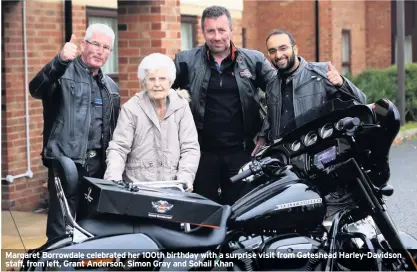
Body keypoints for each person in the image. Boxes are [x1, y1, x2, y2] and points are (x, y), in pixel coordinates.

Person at [172, 5, 277, 205]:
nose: (217, 36)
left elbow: (279, 90)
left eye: (222, 30)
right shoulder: (185, 61)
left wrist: (266, 131)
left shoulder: (253, 60)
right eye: (211, 31)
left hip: (242, 152)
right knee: (204, 215)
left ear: (231, 30)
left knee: (241, 210)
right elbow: (160, 89)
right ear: (203, 32)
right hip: (201, 154)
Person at [29, 24, 120, 242]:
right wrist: (59, 60)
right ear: (83, 44)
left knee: (92, 226)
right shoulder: (62, 73)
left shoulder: (110, 87)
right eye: (96, 44)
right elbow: (36, 89)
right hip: (66, 163)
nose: (100, 51)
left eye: (106, 47)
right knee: (62, 228)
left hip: (98, 166)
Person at [103, 53, 200, 192]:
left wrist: (184, 179)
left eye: (162, 78)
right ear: (144, 82)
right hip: (138, 188)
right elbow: (119, 148)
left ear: (170, 81)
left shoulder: (181, 107)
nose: (157, 84)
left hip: (173, 188)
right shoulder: (131, 108)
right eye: (151, 79)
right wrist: (113, 180)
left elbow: (190, 148)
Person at [263, 29, 367, 141]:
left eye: (283, 48)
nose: (278, 55)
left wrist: (342, 83)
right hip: (285, 153)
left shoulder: (321, 72)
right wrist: (263, 135)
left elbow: (361, 101)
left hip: (318, 149)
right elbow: (271, 119)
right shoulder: (271, 86)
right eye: (272, 51)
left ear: (295, 49)